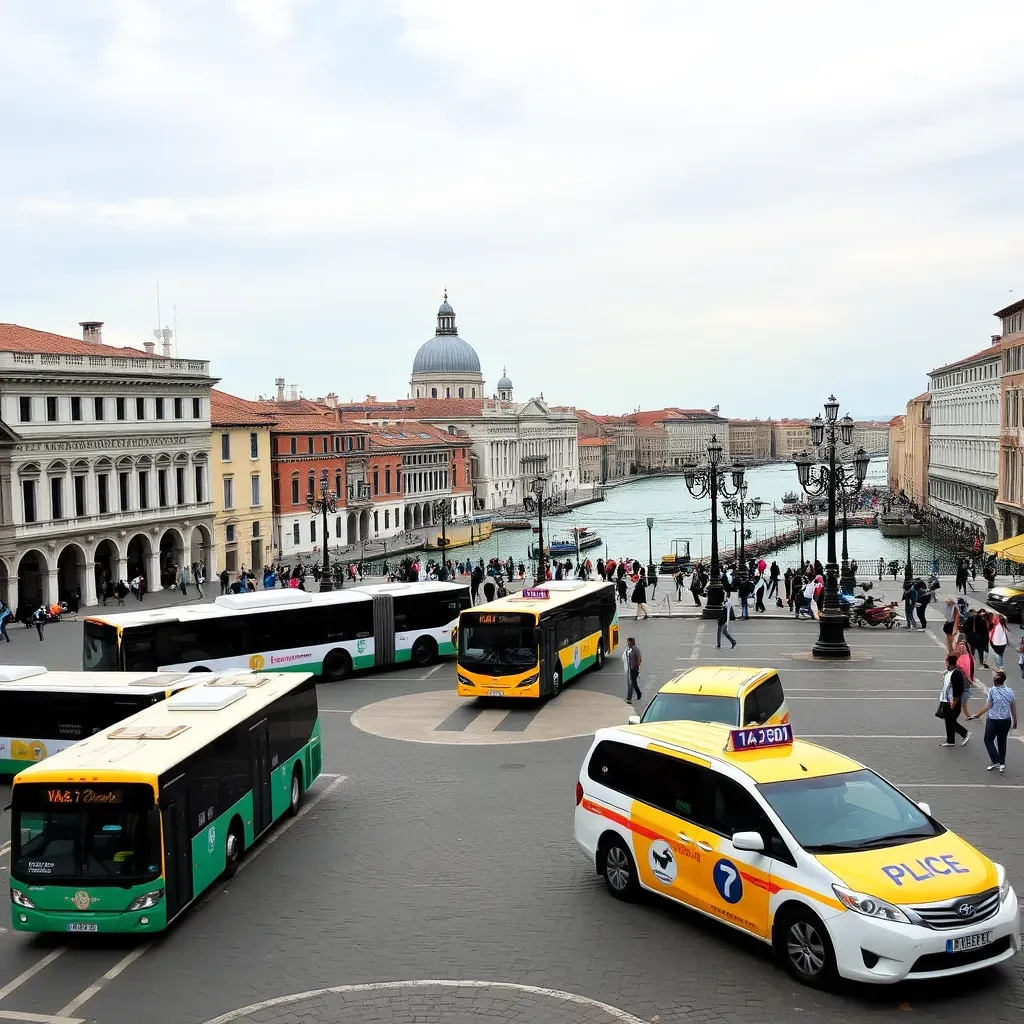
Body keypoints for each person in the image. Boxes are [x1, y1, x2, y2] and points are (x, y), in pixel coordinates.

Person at [967, 670, 1016, 772]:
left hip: (993, 720)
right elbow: (1013, 707)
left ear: (995, 681)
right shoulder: (1010, 691)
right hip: (1006, 720)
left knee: (988, 740)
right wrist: (1015, 720)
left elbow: (988, 706)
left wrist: (977, 714)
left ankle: (996, 760)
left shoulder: (992, 691)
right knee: (1002, 741)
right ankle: (1001, 762)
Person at [938, 653, 969, 747]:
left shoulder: (956, 674)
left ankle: (965, 733)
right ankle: (950, 741)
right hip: (945, 700)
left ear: (950, 663)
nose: (945, 664)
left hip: (952, 702)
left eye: (946, 663)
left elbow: (958, 689)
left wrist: (954, 702)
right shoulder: (949, 673)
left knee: (950, 721)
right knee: (948, 721)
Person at [624, 637, 643, 703]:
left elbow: (639, 659)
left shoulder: (635, 649)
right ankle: (638, 694)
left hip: (634, 669)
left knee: (632, 683)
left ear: (631, 642)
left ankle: (630, 698)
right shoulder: (630, 649)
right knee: (633, 683)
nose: (627, 643)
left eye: (628, 642)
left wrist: (638, 669)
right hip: (631, 668)